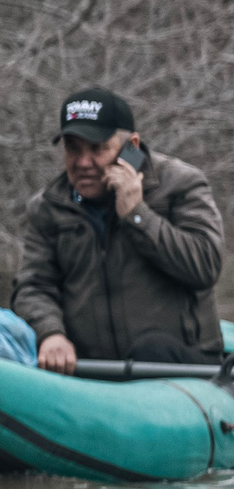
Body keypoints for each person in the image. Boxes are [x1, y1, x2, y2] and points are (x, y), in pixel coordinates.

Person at [13, 87, 223, 371]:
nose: (83, 162)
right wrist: (51, 334)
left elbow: (205, 266)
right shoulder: (48, 207)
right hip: (93, 370)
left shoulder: (182, 184)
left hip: (182, 367)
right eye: (73, 148)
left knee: (153, 349)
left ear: (131, 147)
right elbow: (34, 286)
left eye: (97, 149)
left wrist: (137, 215)